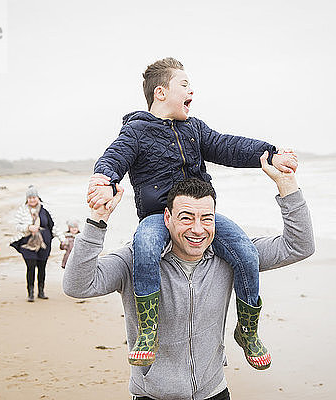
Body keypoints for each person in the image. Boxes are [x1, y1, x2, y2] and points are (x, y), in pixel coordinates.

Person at [87, 57, 298, 367]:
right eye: (184, 85)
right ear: (160, 92)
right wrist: (103, 179)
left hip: (199, 212)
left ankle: (248, 330)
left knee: (245, 251)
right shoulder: (136, 131)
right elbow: (114, 157)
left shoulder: (194, 128)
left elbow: (229, 146)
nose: (192, 92)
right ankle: (148, 330)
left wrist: (271, 153)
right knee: (144, 247)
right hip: (158, 216)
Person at [64, 152, 314, 400]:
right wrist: (98, 220)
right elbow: (78, 285)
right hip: (153, 395)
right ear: (167, 218)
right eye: (186, 218)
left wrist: (287, 185)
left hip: (214, 393)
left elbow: (299, 246)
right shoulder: (136, 259)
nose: (197, 229)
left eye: (206, 218)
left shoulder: (231, 257)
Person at [10, 185, 58, 302]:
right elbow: (16, 225)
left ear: (38, 198)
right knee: (30, 267)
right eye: (30, 198)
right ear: (27, 199)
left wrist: (62, 239)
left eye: (34, 197)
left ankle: (41, 291)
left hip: (44, 244)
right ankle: (30, 292)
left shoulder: (45, 210)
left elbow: (53, 226)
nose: (32, 200)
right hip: (28, 244)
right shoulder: (22, 210)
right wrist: (28, 227)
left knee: (42, 268)